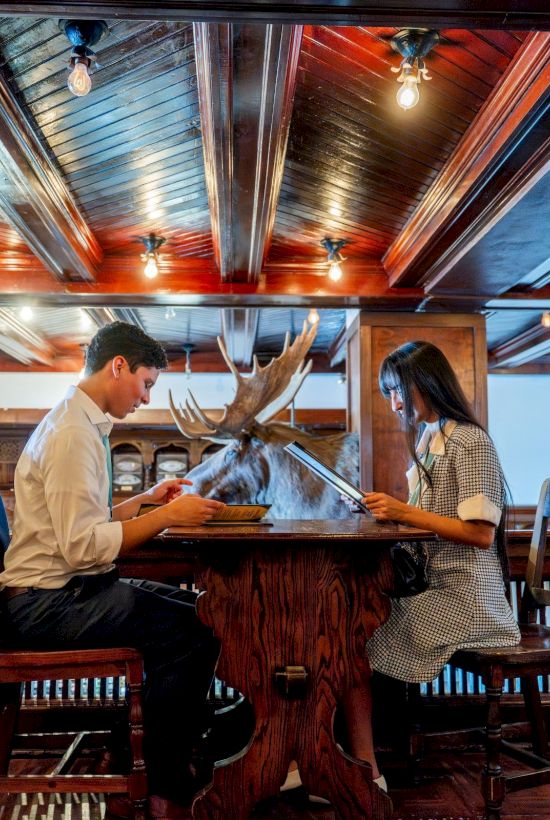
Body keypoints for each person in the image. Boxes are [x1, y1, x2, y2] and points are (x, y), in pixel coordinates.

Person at [0, 321, 226, 819]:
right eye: (146, 383)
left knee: (205, 611)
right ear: (118, 366)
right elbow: (83, 547)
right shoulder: (71, 433)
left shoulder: (78, 423)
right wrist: (167, 516)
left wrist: (145, 501)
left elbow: (86, 522)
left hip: (59, 594)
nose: (146, 398)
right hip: (45, 605)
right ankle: (163, 779)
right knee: (198, 628)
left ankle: (138, 751)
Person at [343, 340, 520, 791]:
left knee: (356, 642)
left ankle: (363, 771)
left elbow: (480, 534)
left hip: (468, 597)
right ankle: (346, 759)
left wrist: (402, 512)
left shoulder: (470, 441)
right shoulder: (431, 438)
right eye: (388, 394)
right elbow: (428, 521)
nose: (395, 403)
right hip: (438, 586)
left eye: (398, 391)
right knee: (348, 631)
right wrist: (385, 513)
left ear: (427, 382)